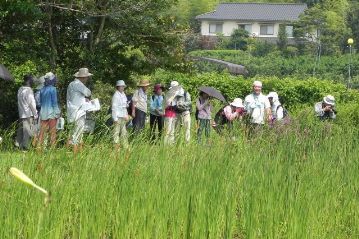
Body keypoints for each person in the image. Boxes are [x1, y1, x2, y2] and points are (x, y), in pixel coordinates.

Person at [66, 67, 92, 154]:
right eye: (87, 77)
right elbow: (88, 92)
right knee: (78, 135)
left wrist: (84, 100)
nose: (87, 79)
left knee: (72, 133)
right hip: (78, 112)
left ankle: (67, 152)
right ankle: (76, 155)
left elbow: (75, 98)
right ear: (83, 77)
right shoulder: (79, 84)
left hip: (72, 112)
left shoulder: (71, 84)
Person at [37, 72, 61, 150]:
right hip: (52, 113)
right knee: (52, 133)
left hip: (43, 113)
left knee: (42, 133)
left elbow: (40, 103)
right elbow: (54, 103)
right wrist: (58, 113)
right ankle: (52, 150)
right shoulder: (53, 89)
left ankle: (39, 149)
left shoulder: (42, 90)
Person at [15, 74, 38, 150]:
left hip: (21, 113)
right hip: (28, 114)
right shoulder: (28, 90)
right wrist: (35, 114)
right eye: (32, 80)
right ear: (29, 80)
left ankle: (17, 145)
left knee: (21, 131)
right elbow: (32, 104)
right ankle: (25, 148)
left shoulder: (20, 89)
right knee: (27, 132)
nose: (33, 82)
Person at [112, 80, 129, 150]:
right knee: (116, 132)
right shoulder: (115, 95)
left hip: (123, 116)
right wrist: (114, 118)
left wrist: (126, 115)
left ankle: (126, 146)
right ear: (118, 87)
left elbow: (124, 106)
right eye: (121, 86)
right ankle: (116, 148)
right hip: (117, 116)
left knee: (124, 132)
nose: (122, 87)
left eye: (123, 86)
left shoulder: (123, 94)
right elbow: (114, 107)